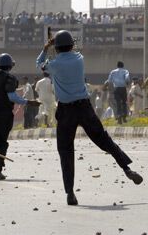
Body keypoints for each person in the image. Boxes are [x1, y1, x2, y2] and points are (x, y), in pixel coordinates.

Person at [38, 30, 142, 205]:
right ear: (71, 45)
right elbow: (71, 51)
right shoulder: (79, 59)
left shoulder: (54, 65)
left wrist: (46, 48)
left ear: (57, 48)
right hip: (84, 106)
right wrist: (55, 46)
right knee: (104, 140)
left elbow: (40, 63)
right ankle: (126, 168)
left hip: (66, 110)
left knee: (66, 150)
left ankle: (70, 193)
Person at [0, 53, 39, 180]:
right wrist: (28, 102)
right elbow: (12, 97)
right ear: (9, 66)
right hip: (3, 114)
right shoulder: (9, 78)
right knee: (1, 142)